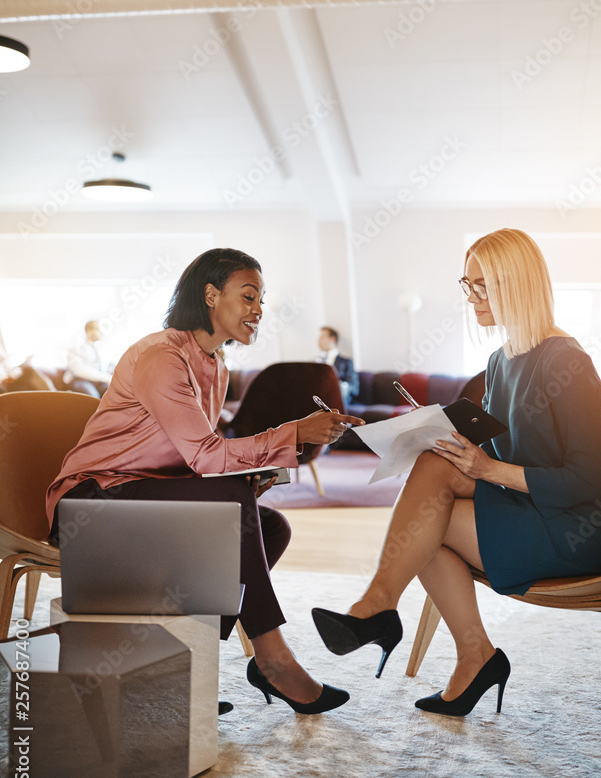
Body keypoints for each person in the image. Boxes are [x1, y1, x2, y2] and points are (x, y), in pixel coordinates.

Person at [312, 229, 601, 717]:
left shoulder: (568, 362)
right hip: (525, 508)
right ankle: (462, 649)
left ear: (516, 284)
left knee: (427, 522)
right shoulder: (500, 362)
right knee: (432, 479)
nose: (472, 297)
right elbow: (506, 451)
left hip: (575, 527)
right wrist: (453, 442)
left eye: (483, 285)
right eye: (467, 284)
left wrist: (488, 467)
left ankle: (385, 611)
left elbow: (584, 482)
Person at [46, 248, 364, 715]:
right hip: (93, 500)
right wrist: (293, 432)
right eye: (249, 296)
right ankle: (272, 660)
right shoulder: (162, 357)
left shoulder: (216, 366)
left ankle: (190, 658)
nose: (258, 310)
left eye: (261, 300)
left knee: (272, 526)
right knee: (231, 503)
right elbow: (207, 457)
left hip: (143, 496)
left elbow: (195, 459)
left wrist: (250, 475)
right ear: (211, 295)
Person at [64, 319, 113, 396]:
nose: (102, 333)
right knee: (93, 397)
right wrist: (105, 378)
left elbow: (108, 367)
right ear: (89, 331)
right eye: (99, 330)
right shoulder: (77, 348)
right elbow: (78, 370)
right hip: (81, 381)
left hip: (98, 381)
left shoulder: (101, 350)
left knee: (115, 393)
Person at [316, 326, 359, 405]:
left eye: (322, 337)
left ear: (332, 339)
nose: (318, 340)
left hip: (341, 398)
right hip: (321, 398)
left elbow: (355, 389)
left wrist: (341, 386)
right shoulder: (318, 362)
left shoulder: (346, 362)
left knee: (343, 387)